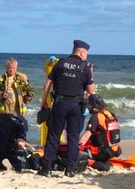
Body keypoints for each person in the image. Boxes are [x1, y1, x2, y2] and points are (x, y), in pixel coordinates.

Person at [38, 39, 96, 177]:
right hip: (75, 105)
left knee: (53, 135)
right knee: (73, 136)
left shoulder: (60, 63)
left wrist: (43, 103)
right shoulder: (85, 67)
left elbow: (47, 85)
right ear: (82, 53)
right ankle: (70, 168)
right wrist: (91, 73)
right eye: (86, 54)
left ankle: (47, 168)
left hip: (59, 103)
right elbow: (91, 91)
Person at [78, 94, 122, 171]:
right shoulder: (110, 114)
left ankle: (98, 165)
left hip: (104, 151)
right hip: (115, 149)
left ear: (92, 106)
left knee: (79, 154)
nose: (88, 107)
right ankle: (105, 161)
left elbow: (86, 136)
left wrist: (76, 147)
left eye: (88, 105)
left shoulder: (96, 117)